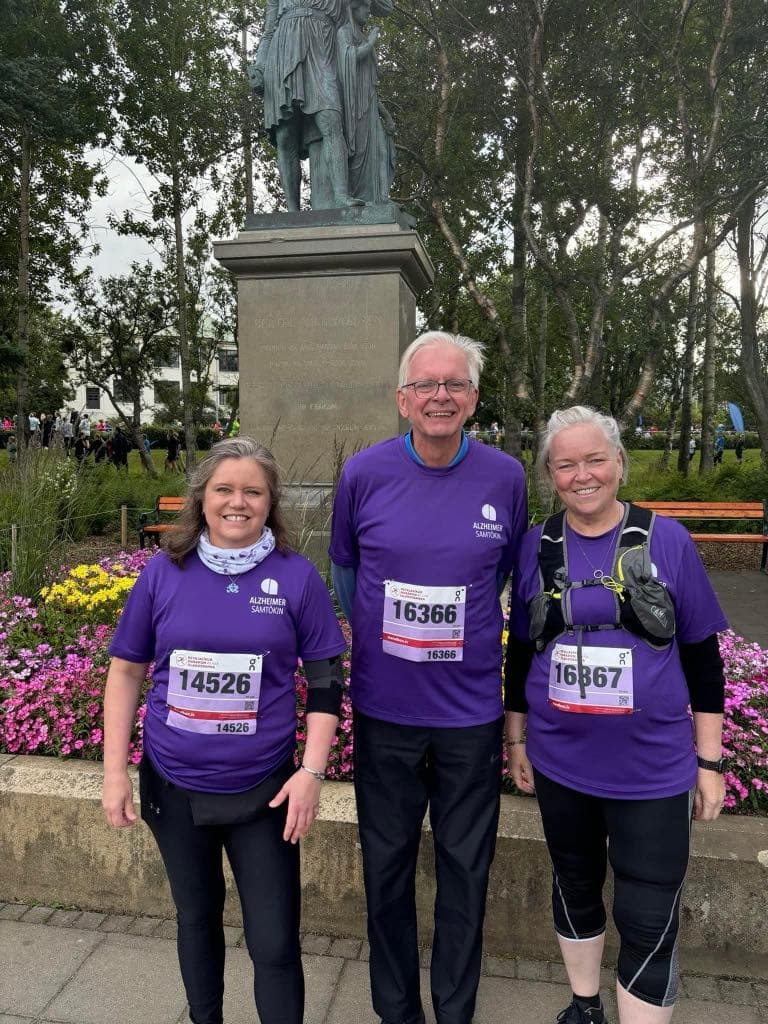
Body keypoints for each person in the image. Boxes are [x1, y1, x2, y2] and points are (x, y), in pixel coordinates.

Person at [102, 437, 347, 1024]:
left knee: (274, 941)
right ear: (202, 498)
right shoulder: (163, 573)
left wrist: (312, 773)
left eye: (253, 492)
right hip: (174, 787)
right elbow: (127, 670)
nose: (238, 502)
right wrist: (114, 773)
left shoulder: (295, 577)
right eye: (224, 490)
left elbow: (325, 682)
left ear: (270, 502)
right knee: (196, 919)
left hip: (264, 792)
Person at [504, 406, 727, 1024]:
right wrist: (516, 738)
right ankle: (584, 1005)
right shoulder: (536, 546)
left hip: (652, 769)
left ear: (620, 464)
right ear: (550, 475)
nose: (582, 475)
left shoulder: (668, 541)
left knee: (648, 912)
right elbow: (521, 650)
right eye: (566, 464)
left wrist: (709, 763)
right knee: (574, 884)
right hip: (560, 761)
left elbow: (703, 658)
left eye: (595, 460)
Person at [330, 331, 528, 1024]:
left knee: (466, 872)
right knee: (385, 870)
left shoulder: (505, 476)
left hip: (468, 716)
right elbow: (346, 572)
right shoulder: (363, 474)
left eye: (454, 384)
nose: (439, 396)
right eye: (426, 385)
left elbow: (503, 575)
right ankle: (397, 1011)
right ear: (402, 399)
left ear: (472, 398)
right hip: (385, 711)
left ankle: (454, 1011)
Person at [250, 0, 393, 211]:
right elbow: (268, 30)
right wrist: (259, 65)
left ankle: (341, 197)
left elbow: (385, 7)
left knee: (331, 120)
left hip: (323, 46)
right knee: (285, 135)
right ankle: (292, 211)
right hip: (283, 48)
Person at [337, 0, 395, 204]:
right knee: (359, 155)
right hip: (353, 106)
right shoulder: (344, 32)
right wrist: (370, 43)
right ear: (354, 7)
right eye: (366, 8)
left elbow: (371, 88)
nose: (369, 13)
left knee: (381, 151)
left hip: (369, 105)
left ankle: (382, 198)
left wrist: (386, 115)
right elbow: (347, 58)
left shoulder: (362, 36)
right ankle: (360, 198)